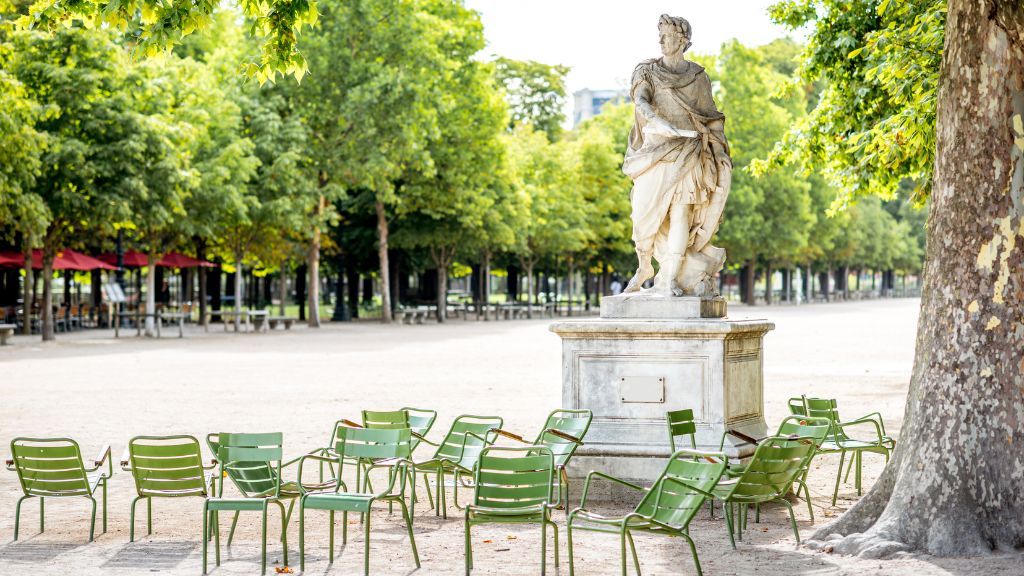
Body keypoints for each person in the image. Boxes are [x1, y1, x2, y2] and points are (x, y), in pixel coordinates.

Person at [622, 14, 732, 297]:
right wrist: (655, 120)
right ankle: (645, 264)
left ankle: (670, 277)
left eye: (667, 35)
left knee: (681, 212)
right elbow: (641, 99)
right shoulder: (646, 71)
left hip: (688, 151)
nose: (661, 40)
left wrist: (719, 151)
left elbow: (711, 117)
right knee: (642, 215)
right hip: (655, 153)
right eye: (659, 35)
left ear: (682, 41)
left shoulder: (697, 77)